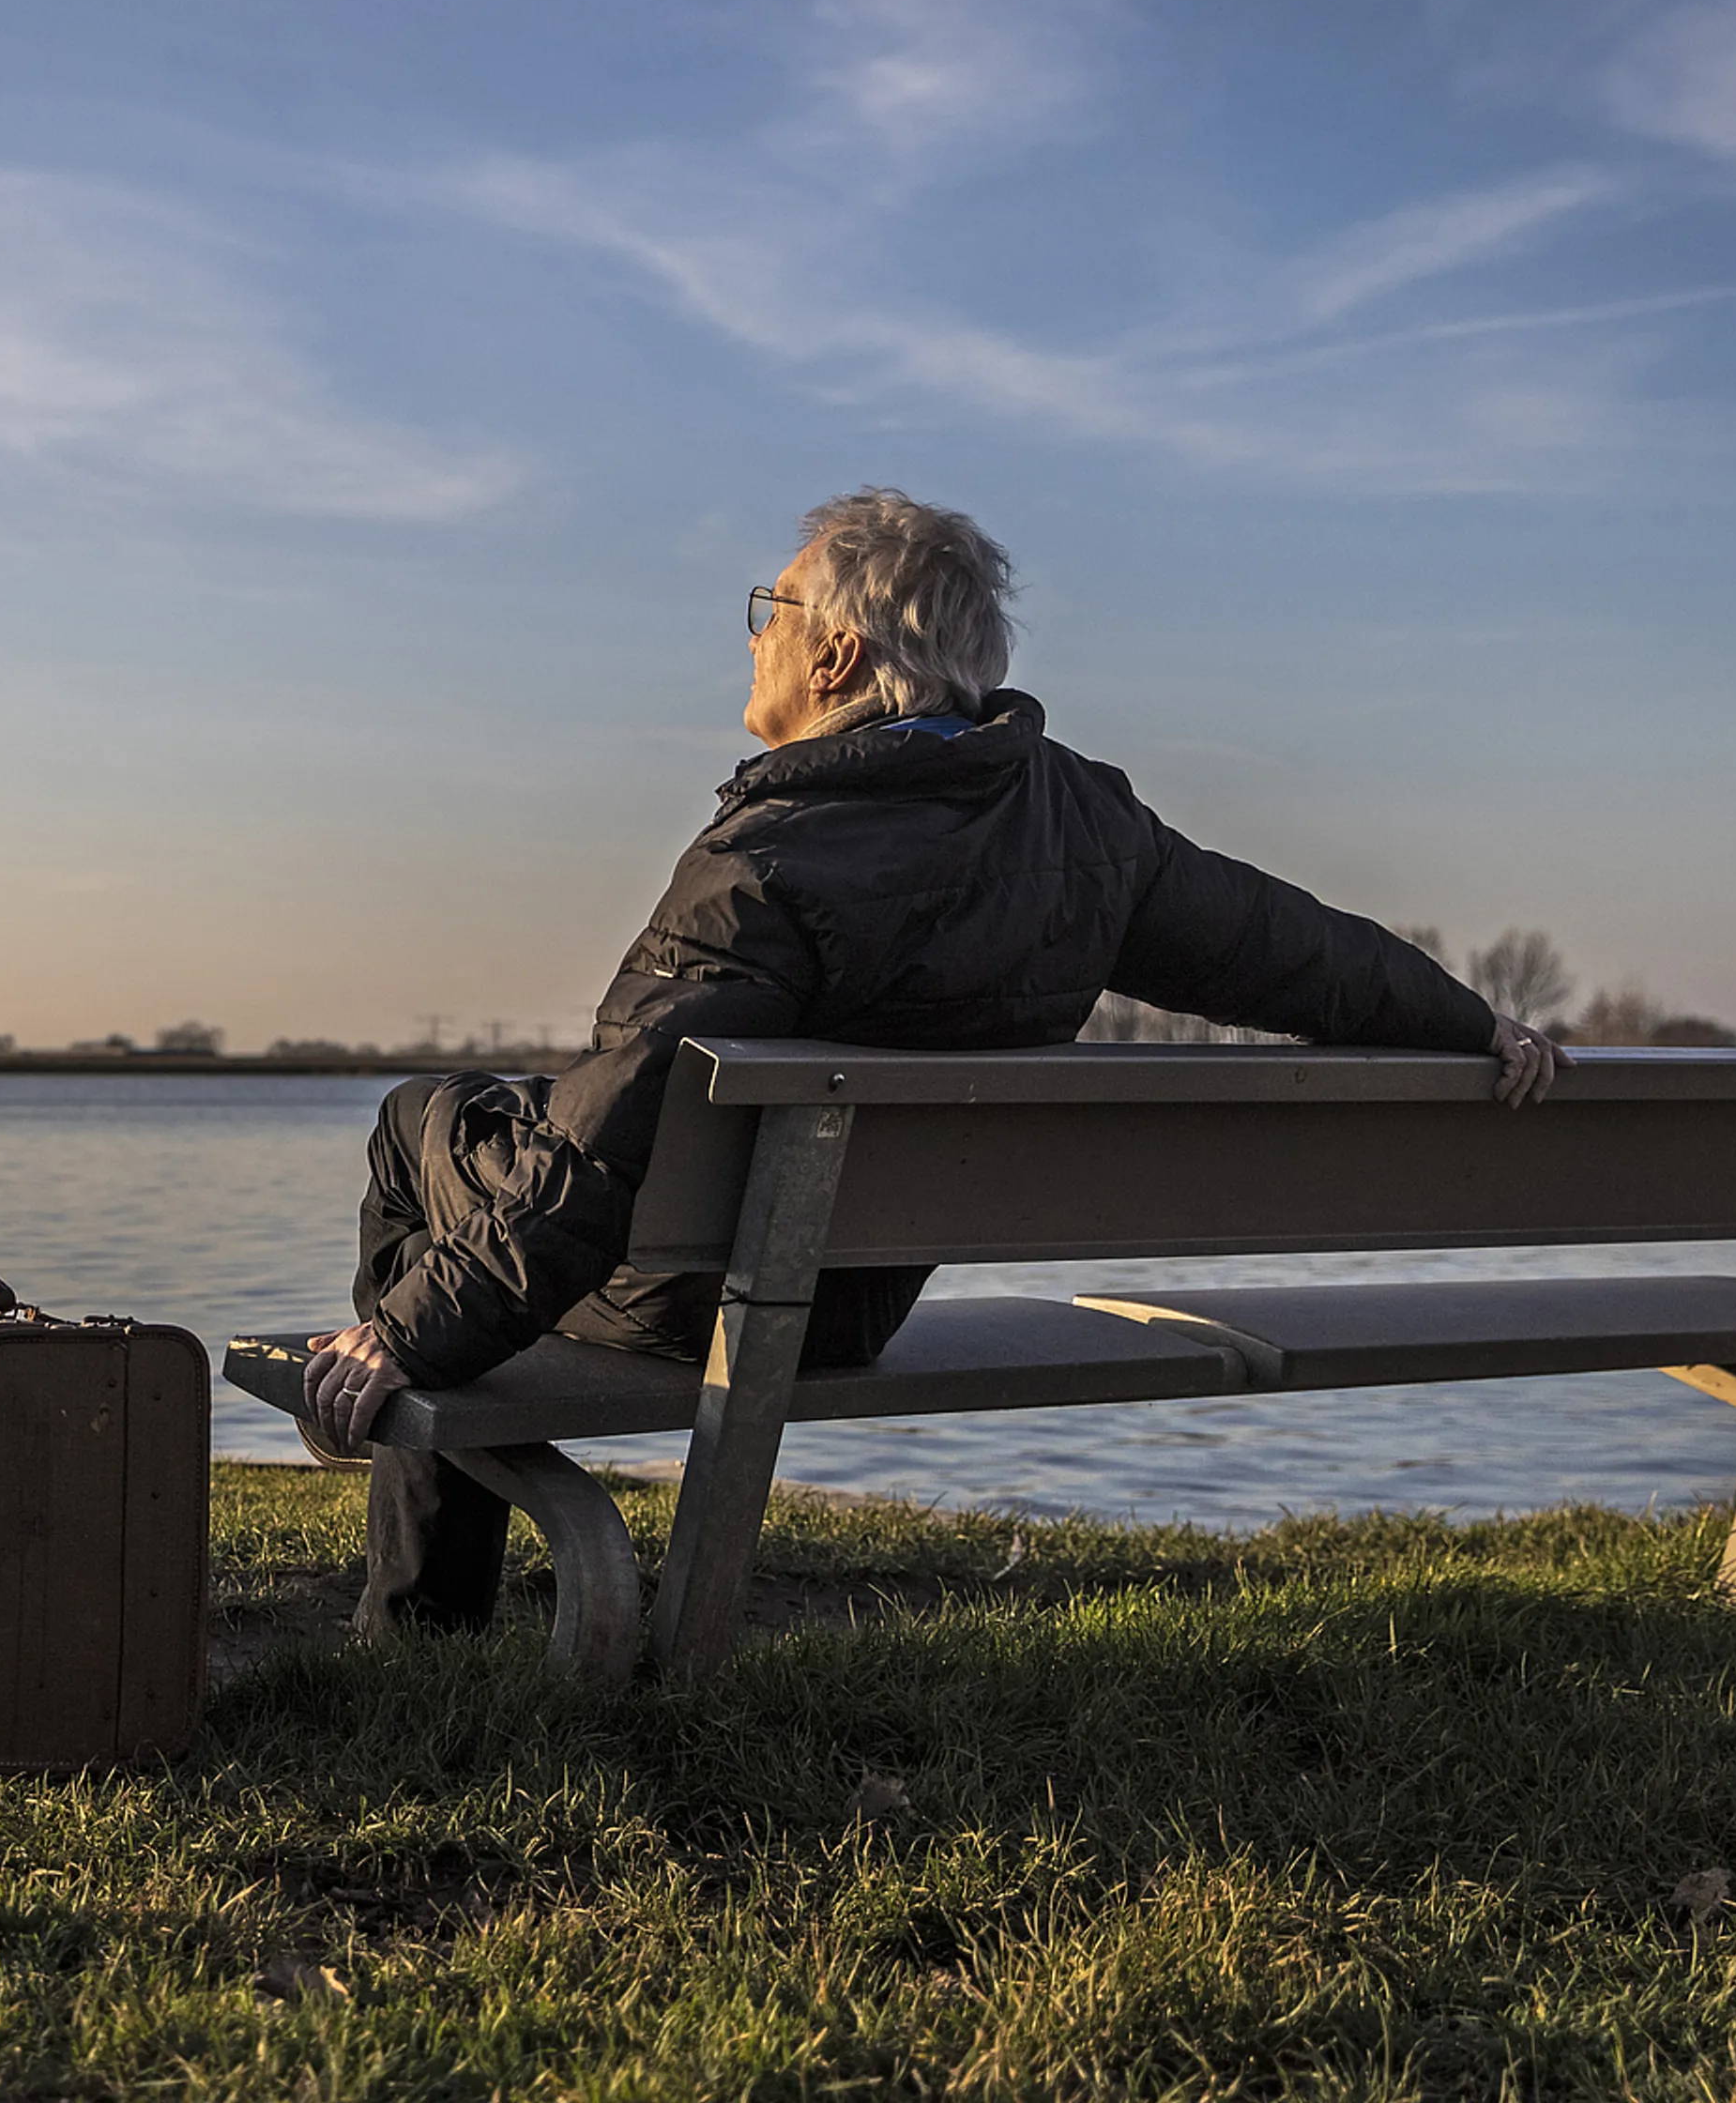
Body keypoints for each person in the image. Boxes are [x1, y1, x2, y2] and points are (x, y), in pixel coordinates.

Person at [303, 487, 1568, 1637]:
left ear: (836, 654)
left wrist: (419, 1331)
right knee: (505, 1150)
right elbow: (1289, 954)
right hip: (855, 1299)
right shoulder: (1086, 826)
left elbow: (605, 1143)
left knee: (425, 1123)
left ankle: (414, 1614)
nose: (756, 634)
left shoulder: (764, 866)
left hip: (704, 1302)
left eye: (773, 609)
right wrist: (1469, 1021)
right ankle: (414, 1517)